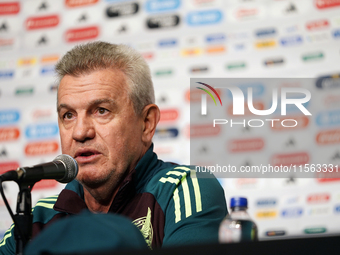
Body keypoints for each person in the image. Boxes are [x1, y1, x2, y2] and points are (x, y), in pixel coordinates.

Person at [0, 41, 227, 254]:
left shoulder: (184, 189)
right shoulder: (37, 218)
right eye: (68, 115)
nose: (80, 132)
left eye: (101, 110)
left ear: (147, 123)